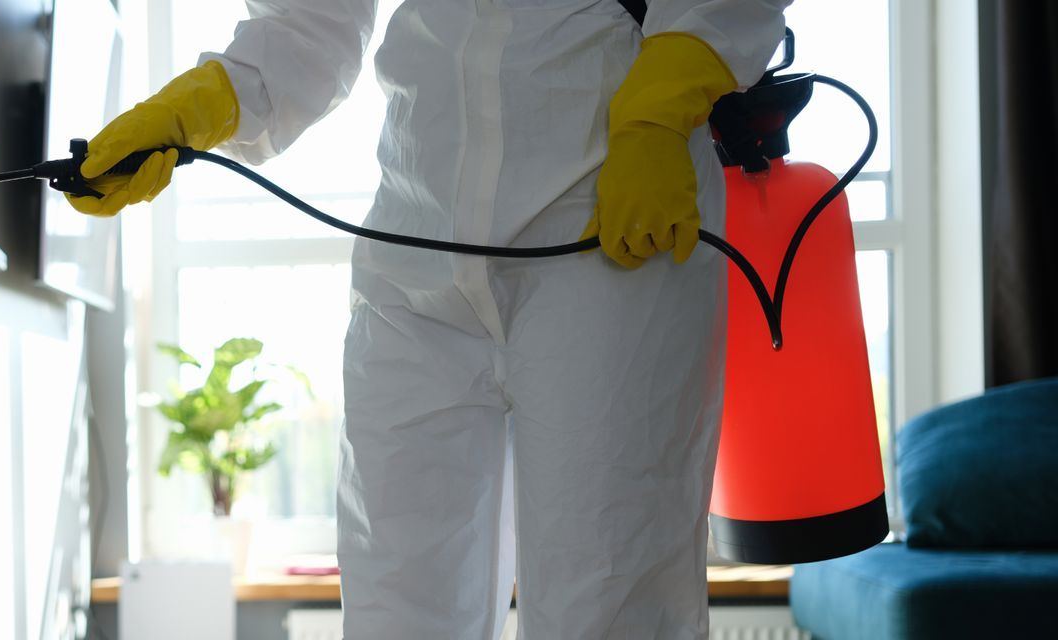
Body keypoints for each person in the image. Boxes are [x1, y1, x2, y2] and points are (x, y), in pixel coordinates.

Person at [69, 1, 791, 637]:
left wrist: (659, 111)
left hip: (609, 223)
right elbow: (307, 22)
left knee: (608, 597)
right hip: (415, 239)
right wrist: (194, 108)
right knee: (396, 600)